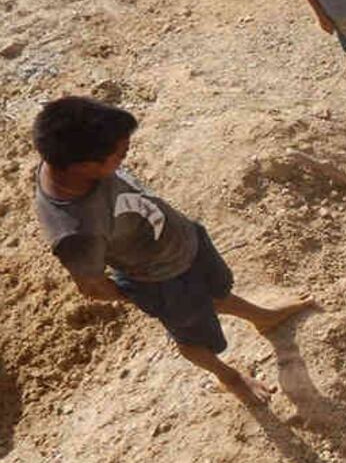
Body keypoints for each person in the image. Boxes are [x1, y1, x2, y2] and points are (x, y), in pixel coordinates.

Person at [31, 97, 312, 406]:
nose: (125, 158)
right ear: (84, 166)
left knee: (214, 290)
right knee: (192, 336)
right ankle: (229, 378)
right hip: (161, 280)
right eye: (120, 154)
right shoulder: (74, 232)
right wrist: (148, 295)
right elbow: (93, 287)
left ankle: (263, 317)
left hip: (182, 238)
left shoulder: (67, 156)